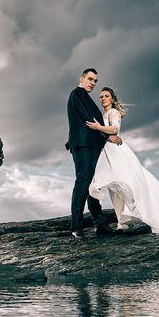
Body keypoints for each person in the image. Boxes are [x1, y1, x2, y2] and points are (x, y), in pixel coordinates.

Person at [85, 87, 159, 234]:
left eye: (106, 96)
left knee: (123, 183)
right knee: (114, 187)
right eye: (101, 97)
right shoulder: (104, 114)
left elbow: (115, 129)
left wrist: (98, 127)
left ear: (112, 99)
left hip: (116, 152)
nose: (103, 98)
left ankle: (127, 219)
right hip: (106, 151)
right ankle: (122, 223)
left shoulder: (114, 113)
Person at [65, 68, 122, 238]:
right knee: (83, 183)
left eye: (95, 81)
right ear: (81, 79)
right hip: (84, 145)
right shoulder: (78, 94)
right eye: (90, 79)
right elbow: (90, 120)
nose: (93, 83)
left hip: (90, 145)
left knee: (91, 185)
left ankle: (101, 224)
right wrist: (108, 135)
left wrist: (105, 135)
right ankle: (76, 227)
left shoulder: (85, 97)